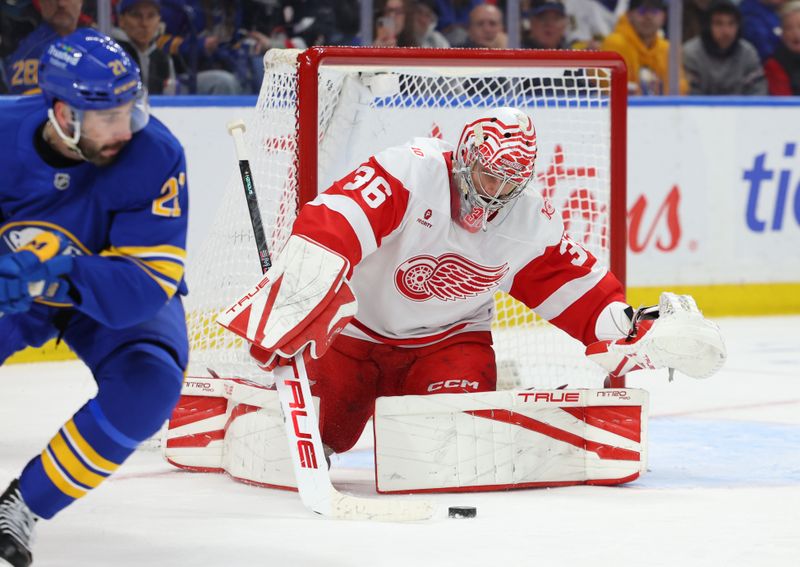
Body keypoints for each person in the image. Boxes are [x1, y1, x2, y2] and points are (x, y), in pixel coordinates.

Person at [219, 107, 725, 460]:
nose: (496, 192)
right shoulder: (409, 172)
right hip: (353, 341)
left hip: (449, 345)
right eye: (488, 176)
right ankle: (241, 398)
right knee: (315, 437)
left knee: (449, 449)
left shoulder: (528, 221)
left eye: (510, 182)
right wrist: (299, 293)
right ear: (465, 158)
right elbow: (332, 220)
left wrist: (638, 326)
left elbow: (583, 296)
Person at [0, 29, 188, 567]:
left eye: (130, 109)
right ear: (61, 112)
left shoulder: (157, 155)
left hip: (104, 299)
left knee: (149, 385)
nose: (124, 129)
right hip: (19, 292)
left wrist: (51, 274)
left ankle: (25, 505)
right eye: (107, 116)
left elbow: (145, 285)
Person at [600, 0, 688, 95]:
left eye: (654, 11)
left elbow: (679, 90)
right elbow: (611, 88)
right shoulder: (615, 43)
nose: (648, 17)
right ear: (629, 15)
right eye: (642, 11)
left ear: (664, 17)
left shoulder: (668, 49)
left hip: (662, 108)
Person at [683, 0, 767, 95]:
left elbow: (758, 94)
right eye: (719, 24)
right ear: (707, 26)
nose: (726, 31)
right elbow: (690, 98)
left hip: (741, 109)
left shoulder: (748, 53)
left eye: (731, 24)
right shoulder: (691, 53)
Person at [3, 0, 84, 95]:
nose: (61, 4)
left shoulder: (95, 44)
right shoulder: (30, 54)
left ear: (81, 2)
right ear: (40, 3)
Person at [113, 0, 177, 95]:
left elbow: (169, 102)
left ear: (159, 20)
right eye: (136, 15)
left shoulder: (164, 60)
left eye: (151, 16)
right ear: (121, 20)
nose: (144, 24)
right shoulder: (112, 55)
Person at [764, 0, 800, 94]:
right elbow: (783, 102)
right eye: (788, 28)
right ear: (782, 33)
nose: (796, 34)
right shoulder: (774, 65)